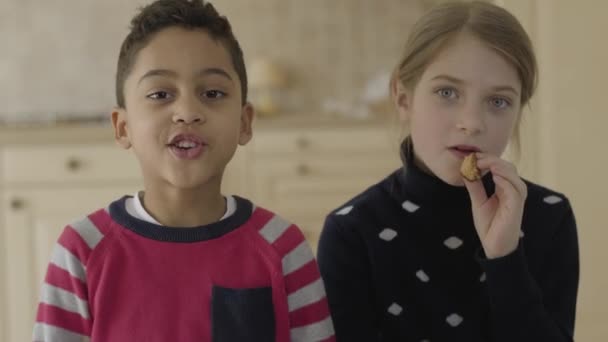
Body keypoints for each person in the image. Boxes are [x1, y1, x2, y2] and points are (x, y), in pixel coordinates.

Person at [32, 1, 334, 341]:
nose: (188, 111)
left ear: (244, 123)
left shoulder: (284, 248)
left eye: (213, 93)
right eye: (161, 93)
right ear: (123, 127)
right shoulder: (81, 252)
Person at [317, 2, 579, 341]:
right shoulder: (351, 232)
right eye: (447, 92)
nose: (471, 123)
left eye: (498, 101)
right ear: (402, 97)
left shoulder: (550, 217)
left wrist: (505, 258)